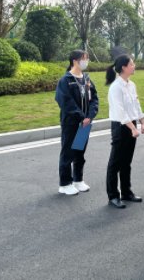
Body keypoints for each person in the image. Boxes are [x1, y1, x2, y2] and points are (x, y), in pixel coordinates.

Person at [105, 55, 144, 209]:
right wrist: (133, 128)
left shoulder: (131, 85)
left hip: (131, 125)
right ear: (124, 67)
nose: (134, 66)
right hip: (120, 126)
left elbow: (136, 105)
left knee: (126, 162)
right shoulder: (116, 87)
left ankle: (126, 192)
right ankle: (113, 196)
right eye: (132, 64)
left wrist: (142, 122)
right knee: (115, 163)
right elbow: (120, 111)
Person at [55, 50, 99, 196]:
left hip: (85, 124)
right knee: (68, 153)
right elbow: (65, 102)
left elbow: (94, 98)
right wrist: (81, 117)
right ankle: (65, 183)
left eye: (87, 58)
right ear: (75, 61)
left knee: (80, 152)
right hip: (71, 123)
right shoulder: (66, 80)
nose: (86, 61)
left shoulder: (86, 79)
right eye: (84, 59)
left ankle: (78, 180)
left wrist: (90, 116)